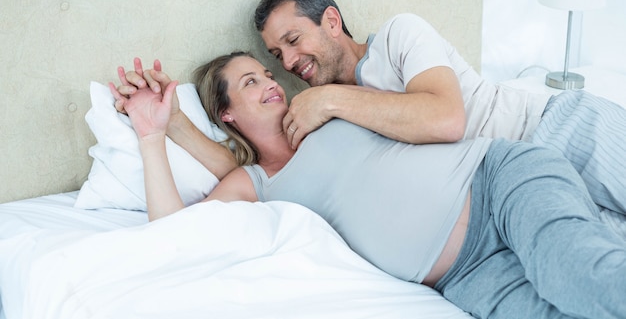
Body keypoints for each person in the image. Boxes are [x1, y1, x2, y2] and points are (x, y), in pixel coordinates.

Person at [112, 52, 626, 319]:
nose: (272, 81)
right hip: (464, 275)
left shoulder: (330, 107)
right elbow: (172, 237)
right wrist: (156, 133)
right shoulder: (255, 185)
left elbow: (438, 114)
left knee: (582, 279)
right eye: (251, 82)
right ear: (225, 113)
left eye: (268, 73)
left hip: (500, 182)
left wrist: (332, 99)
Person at [253, 0, 626, 214]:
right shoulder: (328, 112)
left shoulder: (399, 34)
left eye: (293, 40)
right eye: (276, 55)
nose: (287, 61)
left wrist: (331, 99)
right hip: (521, 191)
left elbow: (446, 119)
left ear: (332, 22)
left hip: (557, 130)